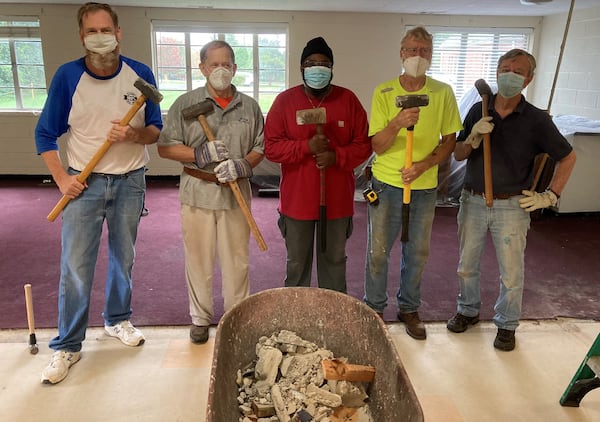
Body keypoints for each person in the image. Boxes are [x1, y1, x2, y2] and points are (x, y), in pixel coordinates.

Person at [34, 2, 162, 384]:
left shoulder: (139, 74)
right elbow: (45, 133)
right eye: (92, 31)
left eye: (106, 29)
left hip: (130, 180)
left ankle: (117, 320)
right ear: (82, 36)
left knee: (124, 258)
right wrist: (60, 178)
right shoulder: (67, 76)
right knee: (76, 266)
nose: (100, 36)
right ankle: (68, 346)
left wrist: (132, 134)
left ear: (119, 32)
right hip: (83, 182)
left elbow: (155, 131)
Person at [446, 48, 576, 351]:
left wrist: (551, 194)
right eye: (504, 69)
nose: (509, 75)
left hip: (512, 206)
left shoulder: (536, 120)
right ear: (496, 73)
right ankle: (467, 310)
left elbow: (567, 158)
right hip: (473, 200)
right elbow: (459, 153)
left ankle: (506, 324)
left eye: (517, 71)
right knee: (466, 265)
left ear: (528, 78)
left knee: (511, 271)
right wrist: (473, 137)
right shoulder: (480, 109)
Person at [157, 40, 264, 344]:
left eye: (226, 64)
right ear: (202, 68)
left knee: (237, 260)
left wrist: (242, 166)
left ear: (234, 68)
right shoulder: (185, 103)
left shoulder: (250, 106)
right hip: (197, 192)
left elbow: (259, 148)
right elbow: (164, 148)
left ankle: (236, 316)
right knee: (199, 260)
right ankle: (200, 318)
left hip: (235, 194)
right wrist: (198, 154)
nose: (220, 69)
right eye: (213, 64)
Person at [364, 26, 462, 340]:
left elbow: (449, 142)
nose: (417, 56)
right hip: (386, 185)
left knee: (417, 251)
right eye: (411, 50)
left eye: (424, 51)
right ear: (401, 53)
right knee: (378, 251)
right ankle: (375, 308)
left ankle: (408, 307)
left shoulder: (442, 92)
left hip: (423, 186)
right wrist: (398, 122)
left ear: (430, 56)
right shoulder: (384, 92)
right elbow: (377, 146)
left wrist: (422, 165)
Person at [264, 36, 371, 292]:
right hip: (297, 202)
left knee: (334, 262)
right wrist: (305, 147)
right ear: (302, 68)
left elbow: (364, 145)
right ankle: (295, 316)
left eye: (324, 63)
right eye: (311, 63)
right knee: (297, 264)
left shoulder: (348, 100)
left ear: (332, 68)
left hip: (336, 203)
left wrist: (337, 157)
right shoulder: (285, 102)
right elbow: (272, 148)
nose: (317, 68)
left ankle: (332, 318)